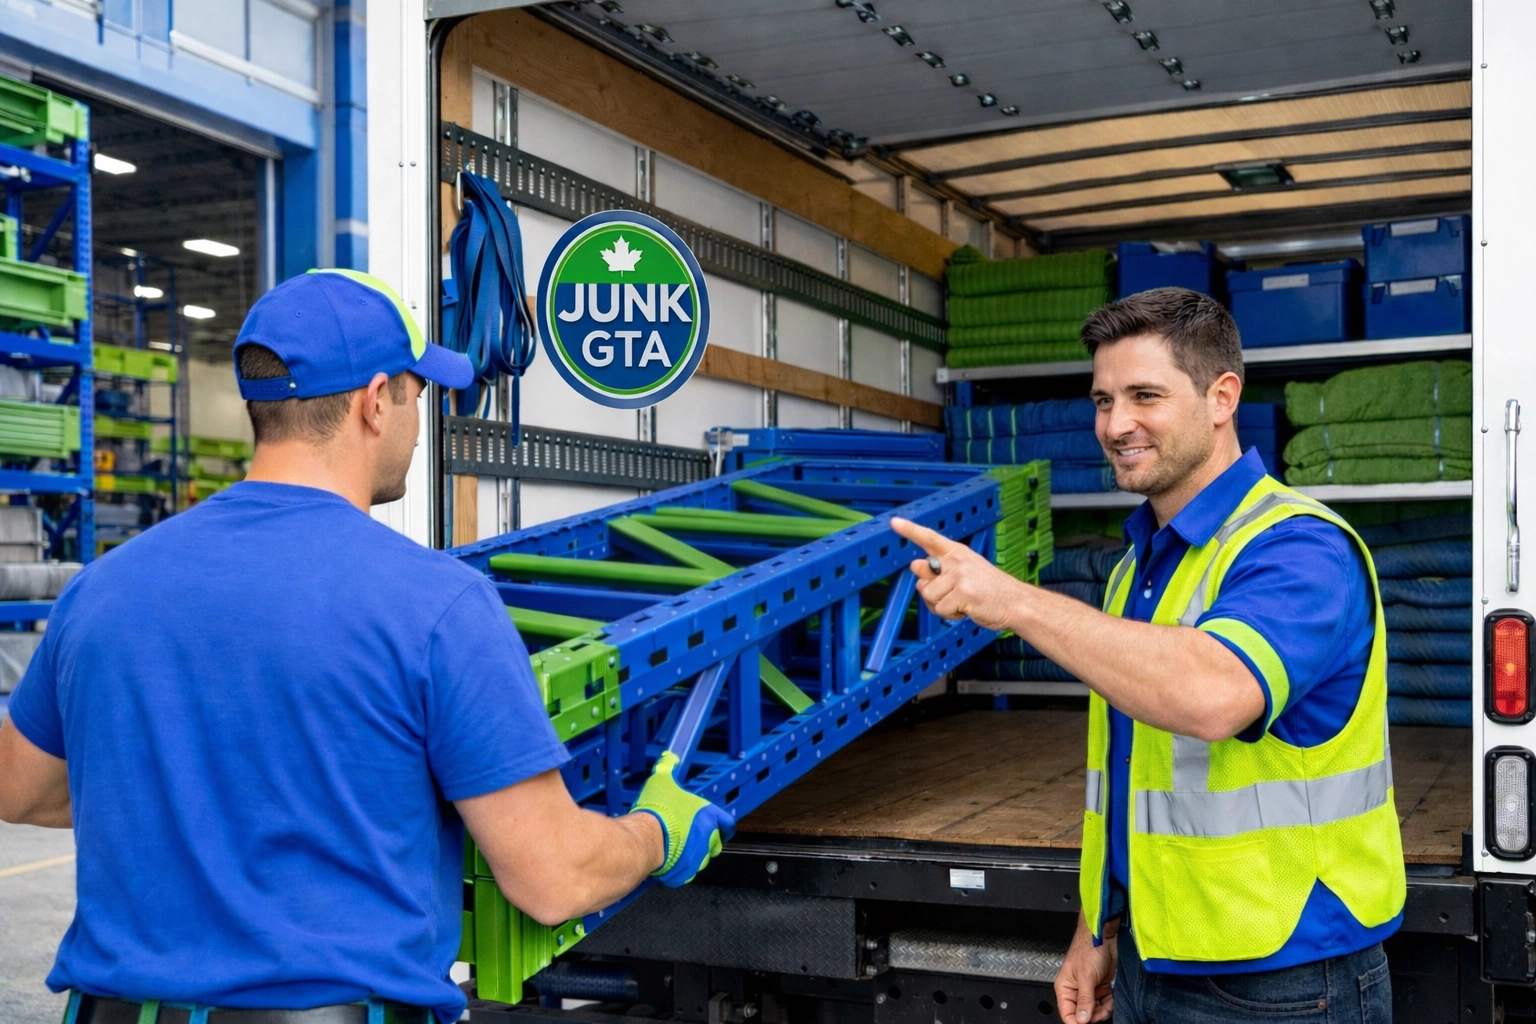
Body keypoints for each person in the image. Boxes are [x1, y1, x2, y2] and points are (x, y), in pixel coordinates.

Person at [0, 269, 732, 1024]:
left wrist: (193, 795)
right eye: (418, 395)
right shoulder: (435, 605)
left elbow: (18, 789)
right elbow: (554, 877)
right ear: (374, 402)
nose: (419, 418)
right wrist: (658, 833)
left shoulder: (102, 590)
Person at [892, 287, 1403, 1024]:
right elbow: (1133, 774)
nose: (1115, 425)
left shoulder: (1299, 546)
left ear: (1222, 396)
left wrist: (1015, 602)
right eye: (1103, 400)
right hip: (1153, 957)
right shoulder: (1142, 565)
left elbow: (1211, 697)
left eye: (1144, 396)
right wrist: (1097, 927)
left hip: (1285, 978)